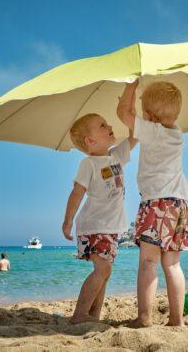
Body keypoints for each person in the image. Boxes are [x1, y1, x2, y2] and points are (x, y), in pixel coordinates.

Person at [117, 81, 188, 327]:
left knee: (149, 261)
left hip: (157, 202)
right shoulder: (177, 133)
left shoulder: (153, 130)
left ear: (149, 116)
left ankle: (144, 318)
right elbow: (133, 121)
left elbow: (123, 114)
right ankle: (176, 320)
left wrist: (130, 87)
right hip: (180, 203)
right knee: (173, 264)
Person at [62, 113, 137, 324]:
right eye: (102, 126)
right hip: (94, 225)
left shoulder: (116, 156)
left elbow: (135, 136)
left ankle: (93, 316)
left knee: (106, 271)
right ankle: (80, 314)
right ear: (90, 141)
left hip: (111, 227)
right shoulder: (89, 164)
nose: (110, 126)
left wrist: (133, 115)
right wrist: (68, 221)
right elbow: (77, 192)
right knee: (102, 269)